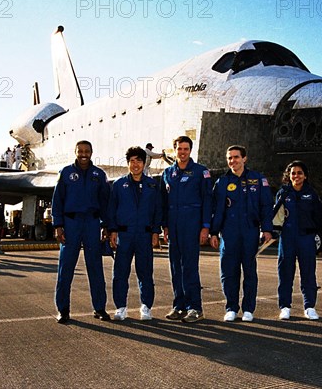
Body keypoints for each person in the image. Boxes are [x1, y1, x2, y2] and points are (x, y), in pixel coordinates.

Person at [209, 145, 273, 322]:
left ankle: (248, 309)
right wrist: (214, 232)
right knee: (228, 271)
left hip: (250, 231)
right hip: (228, 233)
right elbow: (216, 210)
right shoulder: (221, 183)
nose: (232, 161)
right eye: (229, 158)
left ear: (244, 158)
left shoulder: (258, 180)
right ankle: (231, 307)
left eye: (236, 157)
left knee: (250, 271)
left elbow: (266, 206)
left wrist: (266, 229)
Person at [52, 140, 111, 324]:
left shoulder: (99, 175)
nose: (83, 154)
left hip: (92, 223)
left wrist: (106, 225)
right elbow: (57, 200)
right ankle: (63, 309)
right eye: (80, 151)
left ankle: (99, 307)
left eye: (87, 151)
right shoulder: (66, 173)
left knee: (95, 267)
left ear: (92, 152)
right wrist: (58, 225)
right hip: (71, 224)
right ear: (75, 152)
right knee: (66, 268)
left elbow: (105, 203)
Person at [161, 135, 212, 323]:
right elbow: (164, 203)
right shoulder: (168, 173)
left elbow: (207, 200)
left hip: (192, 226)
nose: (182, 152)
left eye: (186, 149)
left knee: (190, 267)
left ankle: (195, 308)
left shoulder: (201, 172)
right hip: (173, 227)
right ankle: (179, 306)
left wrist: (205, 227)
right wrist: (165, 226)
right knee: (175, 268)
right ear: (174, 150)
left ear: (190, 151)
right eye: (179, 149)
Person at [108, 146, 162, 321]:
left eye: (139, 160)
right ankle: (121, 307)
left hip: (144, 235)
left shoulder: (152, 185)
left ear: (144, 163)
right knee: (120, 273)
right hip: (124, 235)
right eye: (132, 161)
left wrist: (155, 232)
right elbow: (112, 209)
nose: (135, 164)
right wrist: (112, 231)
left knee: (145, 272)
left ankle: (146, 306)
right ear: (128, 163)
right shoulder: (118, 185)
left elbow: (157, 211)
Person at [274, 161, 322, 321]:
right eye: (293, 173)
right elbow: (276, 213)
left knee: (308, 273)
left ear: (305, 175)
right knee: (285, 273)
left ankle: (309, 307)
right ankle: (285, 307)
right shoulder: (283, 193)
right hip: (287, 238)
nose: (296, 176)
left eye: (299, 173)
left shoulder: (311, 194)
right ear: (288, 175)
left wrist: (314, 232)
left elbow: (318, 216)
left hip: (306, 238)